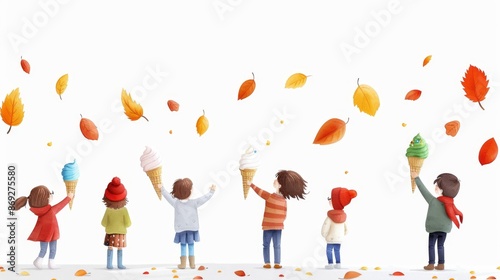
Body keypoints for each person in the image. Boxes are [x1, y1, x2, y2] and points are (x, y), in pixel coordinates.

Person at [247, 170, 308, 269]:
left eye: (277, 180)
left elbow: (284, 213)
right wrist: (251, 184)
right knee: (267, 244)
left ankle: (277, 263)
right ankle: (267, 262)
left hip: (277, 227)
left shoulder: (280, 199)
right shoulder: (270, 196)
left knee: (276, 245)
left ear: (280, 186)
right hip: (269, 226)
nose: (274, 180)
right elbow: (259, 191)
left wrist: (280, 222)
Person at [156, 179, 216, 269]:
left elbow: (167, 196)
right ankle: (192, 264)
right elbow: (205, 198)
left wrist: (162, 188)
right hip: (192, 227)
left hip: (181, 228)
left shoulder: (175, 202)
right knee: (191, 244)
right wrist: (212, 191)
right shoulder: (194, 202)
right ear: (188, 191)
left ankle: (183, 264)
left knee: (183, 245)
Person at [411, 171, 463, 270]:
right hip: (444, 229)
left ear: (443, 190)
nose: (435, 187)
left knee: (431, 246)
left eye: (438, 186)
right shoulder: (450, 204)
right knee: (441, 246)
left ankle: (431, 264)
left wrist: (416, 178)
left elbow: (423, 190)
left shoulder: (433, 201)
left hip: (433, 228)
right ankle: (441, 264)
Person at [14, 185, 73, 269]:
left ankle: (39, 261)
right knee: (53, 249)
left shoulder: (41, 212)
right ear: (44, 199)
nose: (51, 195)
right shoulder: (51, 210)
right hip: (53, 233)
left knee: (43, 249)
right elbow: (61, 205)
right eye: (50, 194)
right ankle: (50, 262)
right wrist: (69, 197)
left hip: (44, 233)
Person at [321, 187, 357, 269]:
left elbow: (326, 226)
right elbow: (347, 229)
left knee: (329, 250)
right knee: (337, 250)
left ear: (336, 202)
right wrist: (342, 234)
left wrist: (324, 234)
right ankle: (338, 264)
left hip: (330, 238)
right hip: (339, 238)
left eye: (331, 199)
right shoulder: (344, 217)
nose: (329, 200)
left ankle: (330, 264)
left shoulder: (330, 216)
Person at [101, 177, 131, 269]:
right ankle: (120, 264)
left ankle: (109, 265)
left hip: (110, 232)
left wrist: (110, 225)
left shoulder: (108, 210)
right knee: (119, 248)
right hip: (121, 233)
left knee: (110, 247)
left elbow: (103, 223)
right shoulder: (124, 210)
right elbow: (128, 223)